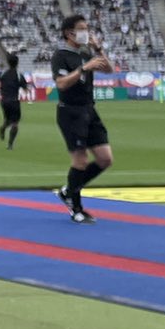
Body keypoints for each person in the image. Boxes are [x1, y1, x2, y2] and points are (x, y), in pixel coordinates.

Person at [50, 13, 113, 222]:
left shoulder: (86, 52)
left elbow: (109, 69)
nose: (86, 33)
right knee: (81, 160)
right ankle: (76, 207)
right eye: (82, 29)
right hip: (70, 112)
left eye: (87, 29)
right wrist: (83, 68)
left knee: (105, 159)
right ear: (69, 33)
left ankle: (68, 190)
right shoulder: (61, 55)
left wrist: (98, 50)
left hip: (89, 109)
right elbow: (61, 83)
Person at [0, 51, 24, 149]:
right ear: (17, 63)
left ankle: (3, 128)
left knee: (8, 120)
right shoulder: (18, 75)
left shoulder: (3, 73)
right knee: (15, 123)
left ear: (8, 63)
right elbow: (25, 88)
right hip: (14, 101)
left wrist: (0, 88)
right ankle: (10, 144)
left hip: (4, 101)